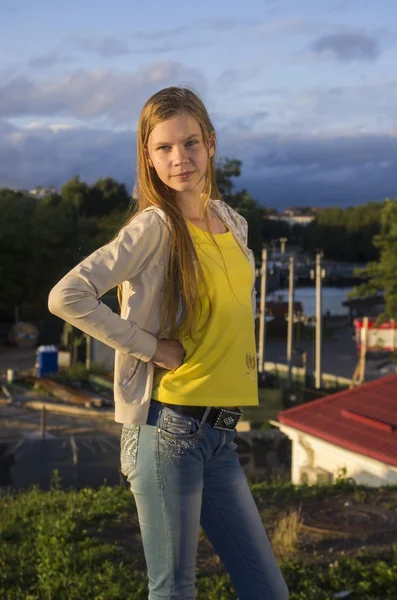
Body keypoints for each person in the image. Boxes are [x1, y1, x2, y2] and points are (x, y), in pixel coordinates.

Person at [48, 87, 289, 600]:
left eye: (191, 143)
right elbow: (67, 295)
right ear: (148, 156)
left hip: (220, 432)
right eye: (163, 148)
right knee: (174, 589)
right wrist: (150, 346)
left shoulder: (233, 222)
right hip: (168, 427)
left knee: (266, 589)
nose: (179, 158)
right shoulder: (155, 226)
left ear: (212, 144)